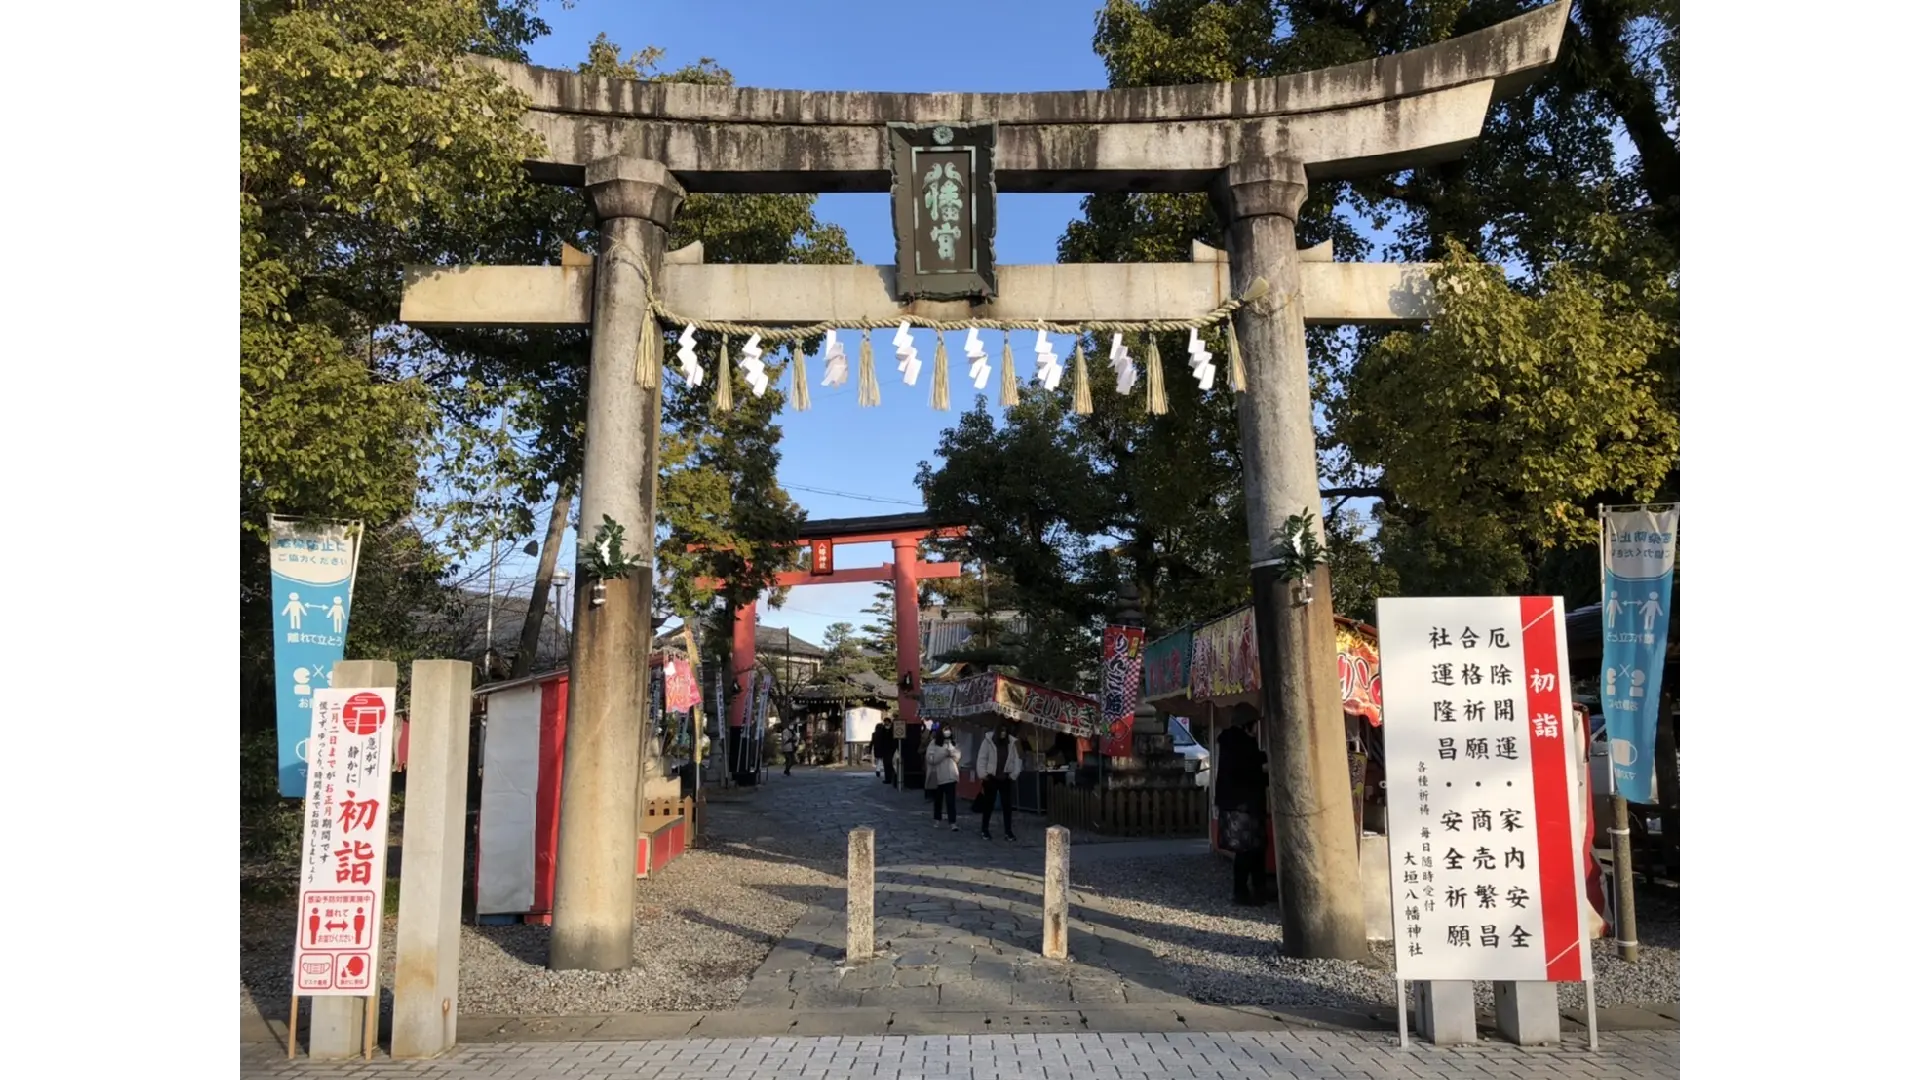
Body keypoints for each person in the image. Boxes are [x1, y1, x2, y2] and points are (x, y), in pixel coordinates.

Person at [1215, 703, 1271, 906]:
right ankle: (1244, 892)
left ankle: (1254, 889)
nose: (1256, 728)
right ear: (1247, 724)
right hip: (1244, 805)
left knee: (1250, 850)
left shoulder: (1230, 742)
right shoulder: (1242, 745)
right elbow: (1249, 773)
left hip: (1235, 804)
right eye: (1254, 724)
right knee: (1249, 850)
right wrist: (1267, 777)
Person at [974, 722, 1023, 841]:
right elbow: (982, 758)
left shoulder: (1012, 743)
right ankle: (985, 829)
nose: (1003, 733)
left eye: (1005, 731)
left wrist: (1014, 774)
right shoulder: (988, 741)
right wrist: (983, 774)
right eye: (1001, 731)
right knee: (988, 804)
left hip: (1005, 777)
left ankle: (1008, 831)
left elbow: (1017, 759)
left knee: (1007, 805)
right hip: (991, 777)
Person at [925, 728, 962, 829]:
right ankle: (937, 819)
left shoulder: (953, 743)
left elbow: (958, 757)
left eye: (948, 729)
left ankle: (953, 822)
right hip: (938, 775)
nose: (947, 732)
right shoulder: (933, 743)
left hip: (951, 775)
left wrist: (952, 753)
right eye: (945, 729)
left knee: (951, 801)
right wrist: (943, 753)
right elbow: (930, 759)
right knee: (938, 800)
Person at [874, 722, 898, 786]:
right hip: (890, 750)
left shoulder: (881, 732)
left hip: (886, 750)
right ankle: (892, 778)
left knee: (887, 765)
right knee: (890, 764)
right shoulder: (889, 731)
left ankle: (889, 778)